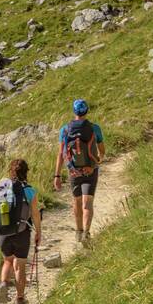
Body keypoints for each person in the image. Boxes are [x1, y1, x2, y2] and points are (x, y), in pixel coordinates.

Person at [0, 157, 41, 304]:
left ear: (10, 172)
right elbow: (35, 215)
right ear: (26, 172)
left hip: (3, 231)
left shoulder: (1, 189)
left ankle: (3, 283)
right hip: (21, 232)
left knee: (8, 261)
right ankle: (20, 299)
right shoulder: (30, 191)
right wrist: (38, 232)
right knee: (20, 266)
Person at [54, 99, 105, 243]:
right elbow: (102, 151)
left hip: (73, 172)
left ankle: (78, 231)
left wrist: (57, 175)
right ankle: (87, 234)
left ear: (74, 111)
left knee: (76, 201)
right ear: (87, 111)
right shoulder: (94, 128)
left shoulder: (65, 129)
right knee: (87, 202)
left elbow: (60, 154)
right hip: (90, 170)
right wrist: (96, 163)